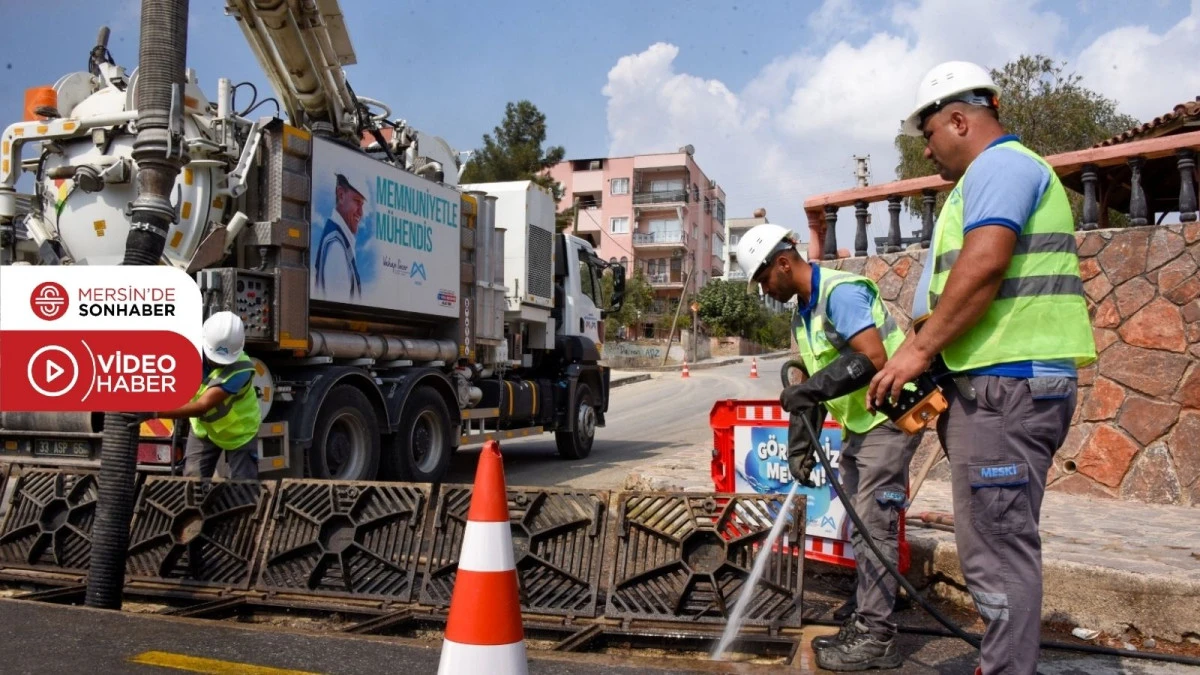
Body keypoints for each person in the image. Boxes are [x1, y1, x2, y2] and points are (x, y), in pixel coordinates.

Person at [868, 60, 1097, 675]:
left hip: (1009, 387)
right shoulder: (991, 175)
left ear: (960, 120)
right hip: (1003, 385)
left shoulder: (1001, 166)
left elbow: (986, 264)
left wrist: (917, 351)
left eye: (930, 135)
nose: (928, 150)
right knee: (994, 545)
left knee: (997, 551)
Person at [735, 223, 924, 672]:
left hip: (890, 417)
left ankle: (877, 636)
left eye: (764, 279)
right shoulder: (804, 314)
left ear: (783, 263)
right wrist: (801, 445)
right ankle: (869, 609)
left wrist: (811, 391)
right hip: (862, 424)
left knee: (873, 525)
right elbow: (818, 388)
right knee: (862, 525)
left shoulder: (840, 293)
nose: (765, 289)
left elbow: (873, 357)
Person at [149, 311, 263, 480]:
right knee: (192, 480)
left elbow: (202, 406)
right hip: (204, 431)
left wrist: (153, 412)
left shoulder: (241, 370)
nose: (217, 362)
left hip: (239, 433)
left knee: (243, 488)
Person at [314, 172, 365, 300]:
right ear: (341, 195)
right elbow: (340, 305)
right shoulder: (336, 247)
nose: (361, 212)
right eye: (357, 201)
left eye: (362, 204)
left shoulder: (339, 240)